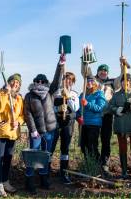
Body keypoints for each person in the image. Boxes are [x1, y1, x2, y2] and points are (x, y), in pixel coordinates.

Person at [82, 57, 124, 177]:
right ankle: (92, 161)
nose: (103, 72)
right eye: (101, 70)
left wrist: (122, 65)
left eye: (105, 71)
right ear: (98, 72)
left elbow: (121, 77)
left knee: (105, 139)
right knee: (92, 141)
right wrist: (85, 61)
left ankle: (104, 162)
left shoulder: (112, 82)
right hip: (94, 116)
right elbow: (86, 72)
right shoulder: (93, 81)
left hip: (106, 115)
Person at [23, 70, 60, 194]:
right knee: (32, 157)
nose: (40, 83)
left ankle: (44, 180)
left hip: (50, 131)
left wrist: (60, 65)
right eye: (37, 81)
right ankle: (29, 181)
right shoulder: (29, 96)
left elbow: (57, 80)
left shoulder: (50, 93)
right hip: (36, 133)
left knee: (46, 156)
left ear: (46, 83)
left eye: (42, 81)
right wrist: (33, 130)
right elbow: (27, 114)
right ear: (34, 82)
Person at [0, 73, 24, 197]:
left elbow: (21, 115)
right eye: (13, 81)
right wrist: (5, 93)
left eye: (18, 83)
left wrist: (18, 122)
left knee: (7, 159)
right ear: (8, 82)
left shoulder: (19, 98)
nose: (15, 84)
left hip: (12, 133)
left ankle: (5, 181)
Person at [49, 55, 80, 184]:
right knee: (51, 147)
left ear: (72, 82)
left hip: (68, 124)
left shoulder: (74, 94)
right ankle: (46, 171)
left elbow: (76, 108)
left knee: (65, 148)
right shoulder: (56, 91)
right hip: (56, 123)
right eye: (66, 79)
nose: (68, 82)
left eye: (70, 80)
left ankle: (64, 172)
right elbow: (51, 107)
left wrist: (69, 99)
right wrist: (58, 108)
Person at [110, 74, 131, 179]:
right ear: (120, 83)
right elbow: (110, 106)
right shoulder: (116, 95)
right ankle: (124, 171)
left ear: (130, 82)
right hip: (121, 125)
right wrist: (117, 110)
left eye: (127, 81)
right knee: (122, 148)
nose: (125, 83)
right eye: (123, 81)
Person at [77, 75, 106, 163]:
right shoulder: (82, 94)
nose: (89, 83)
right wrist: (78, 117)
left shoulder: (99, 93)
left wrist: (87, 104)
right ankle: (87, 164)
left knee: (92, 146)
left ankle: (96, 165)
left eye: (91, 81)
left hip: (94, 124)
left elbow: (100, 108)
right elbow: (78, 108)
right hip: (83, 124)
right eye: (87, 81)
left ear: (94, 83)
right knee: (83, 146)